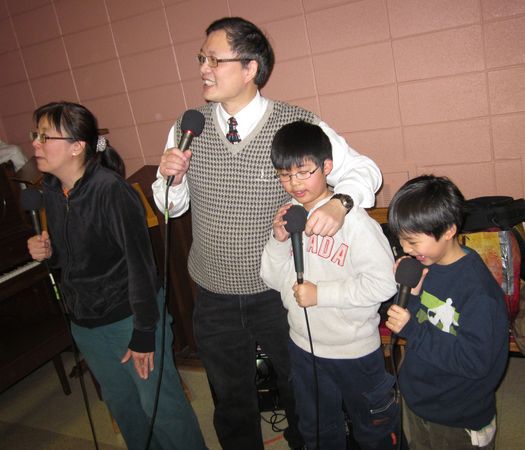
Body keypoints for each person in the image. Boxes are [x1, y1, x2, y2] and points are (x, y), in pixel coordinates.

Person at [151, 17, 382, 450]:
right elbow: (170, 207)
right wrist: (171, 180)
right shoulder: (189, 126)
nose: (203, 67)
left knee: (299, 390)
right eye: (202, 58)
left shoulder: (296, 122)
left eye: (215, 59)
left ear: (250, 68)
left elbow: (365, 170)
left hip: (279, 291)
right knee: (229, 398)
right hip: (213, 292)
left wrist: (340, 202)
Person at [27, 101, 206, 450]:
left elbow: (142, 267)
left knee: (161, 407)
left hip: (130, 318)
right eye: (35, 135)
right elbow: (70, 261)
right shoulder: (51, 189)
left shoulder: (111, 191)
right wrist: (48, 256)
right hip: (86, 323)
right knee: (123, 406)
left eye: (44, 136)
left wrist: (142, 334)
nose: (35, 143)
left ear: (78, 146)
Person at [260, 121, 399, 449]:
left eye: (303, 172)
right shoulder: (291, 217)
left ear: (327, 167)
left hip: (354, 352)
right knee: (318, 430)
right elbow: (272, 279)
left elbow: (383, 284)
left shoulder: (353, 222)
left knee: (374, 429)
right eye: (284, 174)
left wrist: (321, 295)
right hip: (304, 349)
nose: (294, 183)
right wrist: (279, 241)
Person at [385, 175, 509, 450]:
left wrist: (413, 331)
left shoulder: (479, 293)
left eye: (413, 241)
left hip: (457, 417)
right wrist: (413, 296)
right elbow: (419, 320)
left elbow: (474, 362)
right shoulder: (427, 264)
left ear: (449, 230)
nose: (405, 249)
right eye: (402, 240)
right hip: (420, 400)